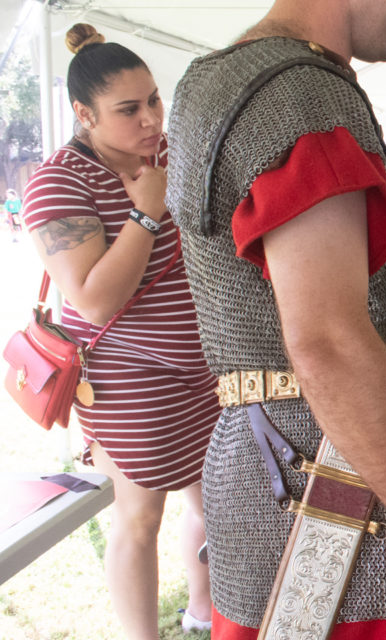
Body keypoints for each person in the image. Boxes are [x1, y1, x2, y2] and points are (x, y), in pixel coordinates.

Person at [166, 1, 386, 637]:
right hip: (338, 511)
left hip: (273, 479)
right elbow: (328, 341)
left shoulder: (215, 78)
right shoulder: (299, 99)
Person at [20, 24, 220, 638]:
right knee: (140, 519)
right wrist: (145, 209)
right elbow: (96, 298)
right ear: (84, 114)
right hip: (128, 381)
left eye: (154, 100)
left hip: (199, 371)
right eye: (128, 109)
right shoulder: (58, 183)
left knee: (213, 501)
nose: (150, 119)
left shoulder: (160, 155)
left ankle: (203, 614)